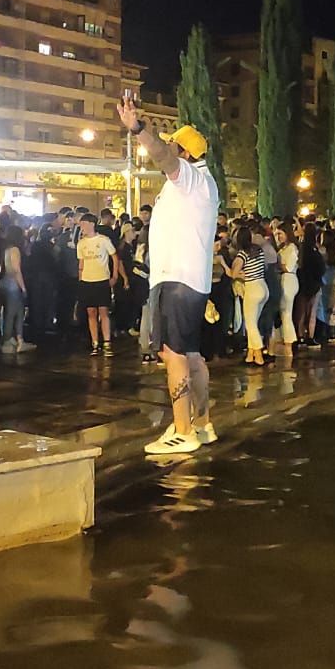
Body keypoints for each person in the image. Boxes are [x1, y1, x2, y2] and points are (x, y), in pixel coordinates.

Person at [116, 96, 221, 455]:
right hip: (187, 278)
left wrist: (138, 129)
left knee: (173, 353)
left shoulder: (191, 179)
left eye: (174, 143)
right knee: (190, 354)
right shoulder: (197, 186)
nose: (168, 147)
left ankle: (182, 430)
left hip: (177, 279)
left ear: (186, 153)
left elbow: (163, 155)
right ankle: (203, 424)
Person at [77, 212, 121, 356]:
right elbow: (81, 262)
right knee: (91, 312)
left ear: (91, 224)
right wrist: (80, 277)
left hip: (102, 279)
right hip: (87, 280)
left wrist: (114, 275)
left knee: (103, 311)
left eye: (83, 224)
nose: (81, 227)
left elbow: (114, 257)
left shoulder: (103, 240)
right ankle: (95, 342)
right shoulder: (81, 243)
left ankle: (107, 343)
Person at [231, 224, 269, 365]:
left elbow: (234, 274)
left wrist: (237, 272)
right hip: (263, 286)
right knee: (254, 322)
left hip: (252, 289)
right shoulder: (258, 250)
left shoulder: (242, 254)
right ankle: (250, 354)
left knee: (250, 324)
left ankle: (258, 355)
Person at [0, 223, 34, 354]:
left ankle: (17, 339)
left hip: (4, 283)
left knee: (15, 312)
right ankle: (9, 340)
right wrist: (23, 287)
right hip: (13, 284)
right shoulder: (15, 250)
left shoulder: (5, 249)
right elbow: (16, 270)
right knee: (13, 313)